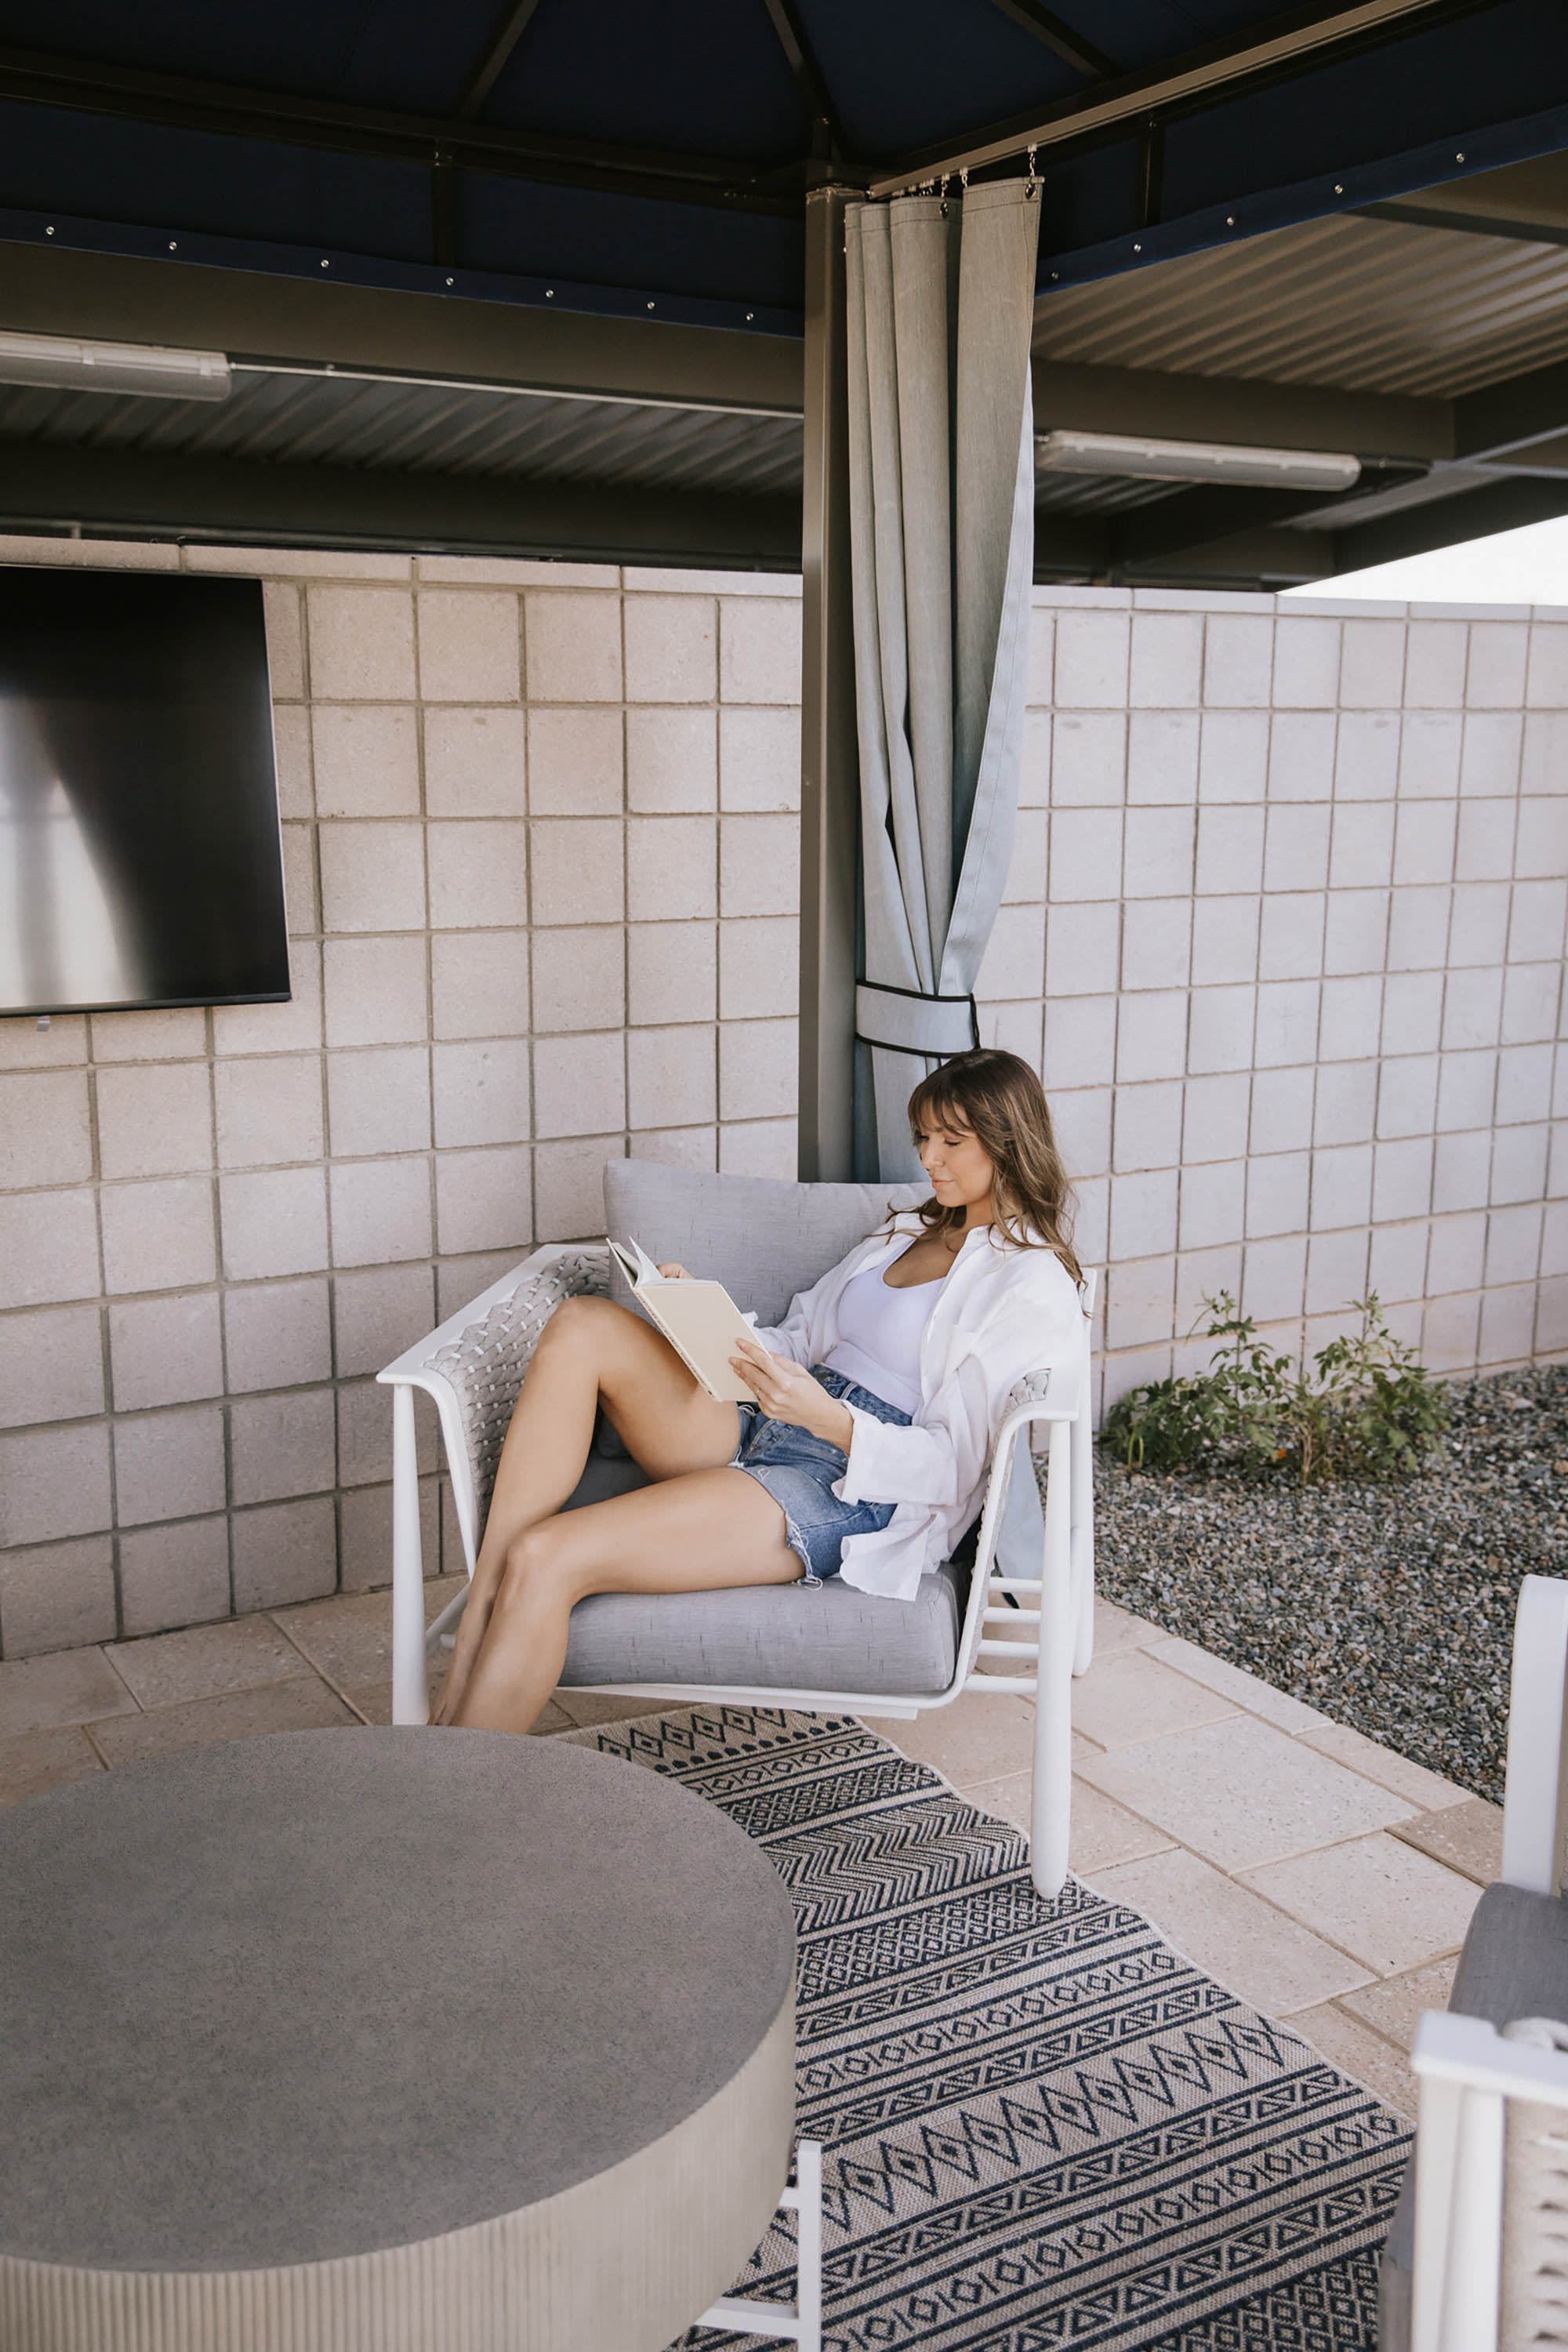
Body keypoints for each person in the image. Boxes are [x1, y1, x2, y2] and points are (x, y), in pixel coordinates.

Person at [434, 1047, 1089, 1734]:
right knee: (583, 1325)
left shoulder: (1030, 1282)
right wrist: (699, 1317)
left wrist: (833, 1422)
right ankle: (482, 1605)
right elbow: (799, 1339)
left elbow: (958, 1468)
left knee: (547, 1556)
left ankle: (452, 1778)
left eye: (951, 1142)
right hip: (772, 1412)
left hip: (846, 1480)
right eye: (924, 1137)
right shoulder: (904, 1232)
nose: (929, 1158)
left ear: (1009, 1141)